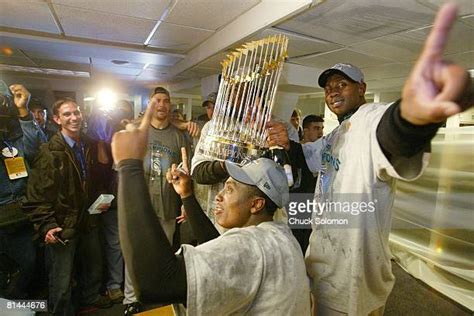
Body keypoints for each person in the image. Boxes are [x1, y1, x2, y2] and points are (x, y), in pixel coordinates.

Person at [267, 4, 473, 315]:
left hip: (355, 274)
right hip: (324, 258)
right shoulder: (335, 134)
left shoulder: (370, 119)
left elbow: (391, 133)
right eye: (328, 88)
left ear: (361, 88)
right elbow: (308, 156)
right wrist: (287, 142)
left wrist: (413, 117)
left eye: (342, 85)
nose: (333, 92)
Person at [111, 100, 311, 314]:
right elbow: (218, 245)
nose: (220, 197)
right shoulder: (277, 235)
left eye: (230, 189)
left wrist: (129, 165)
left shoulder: (252, 247)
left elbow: (156, 282)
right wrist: (187, 195)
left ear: (256, 204)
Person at [26, 98, 112, 314]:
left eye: (76, 112)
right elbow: (37, 194)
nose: (74, 117)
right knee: (61, 281)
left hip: (87, 218)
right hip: (63, 224)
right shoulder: (49, 153)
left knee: (93, 267)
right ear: (56, 119)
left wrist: (100, 201)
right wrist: (47, 225)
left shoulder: (88, 145)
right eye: (67, 114)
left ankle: (90, 298)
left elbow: (91, 180)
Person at [122, 87, 191, 315]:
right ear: (150, 104)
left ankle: (159, 294)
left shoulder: (179, 135)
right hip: (141, 203)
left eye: (166, 101)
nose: (162, 105)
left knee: (164, 253)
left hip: (168, 204)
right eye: (157, 100)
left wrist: (184, 201)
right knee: (134, 251)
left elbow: (185, 170)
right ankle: (131, 298)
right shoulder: (138, 131)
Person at [0, 83, 44, 299]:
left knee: (27, 265)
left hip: (20, 211)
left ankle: (19, 306)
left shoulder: (14, 131)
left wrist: (24, 111)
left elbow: (39, 150)